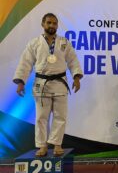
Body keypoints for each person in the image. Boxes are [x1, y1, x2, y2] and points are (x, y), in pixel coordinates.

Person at [13, 13, 83, 157]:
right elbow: (25, 63)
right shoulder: (34, 43)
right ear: (43, 24)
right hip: (41, 84)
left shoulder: (64, 42)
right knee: (41, 117)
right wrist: (21, 81)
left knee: (60, 116)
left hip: (60, 83)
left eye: (54, 23)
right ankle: (42, 145)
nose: (52, 26)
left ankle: (57, 144)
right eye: (49, 23)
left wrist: (76, 77)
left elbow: (73, 60)